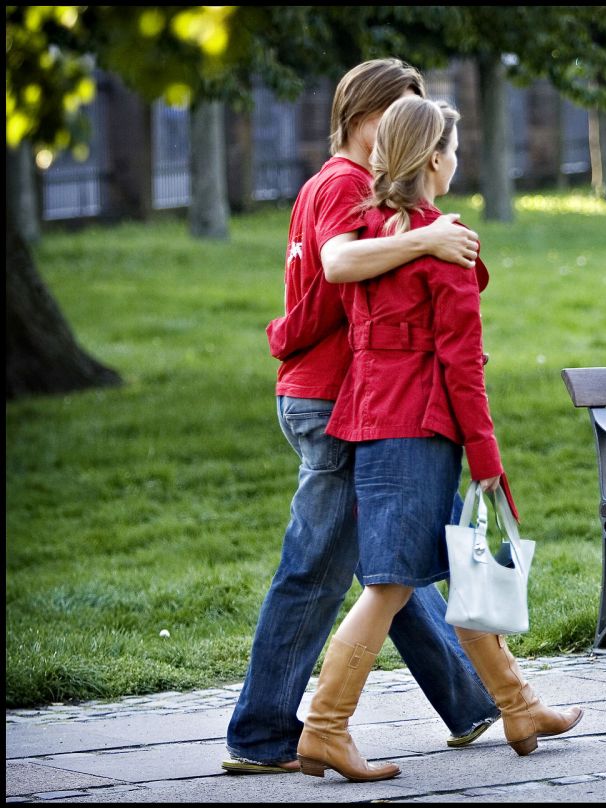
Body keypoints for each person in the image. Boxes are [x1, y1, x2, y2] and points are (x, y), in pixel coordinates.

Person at [288, 95, 583, 782]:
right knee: (388, 587)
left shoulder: (366, 235)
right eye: (454, 149)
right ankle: (326, 728)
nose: (459, 161)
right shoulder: (443, 244)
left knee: (457, 566)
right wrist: (486, 457)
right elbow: (461, 364)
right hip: (415, 429)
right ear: (432, 158)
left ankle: (518, 704)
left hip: (369, 420)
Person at [223, 59, 499, 777]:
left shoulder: (333, 182)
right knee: (319, 569)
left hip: (343, 396)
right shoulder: (346, 184)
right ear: (362, 114)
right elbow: (340, 265)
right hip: (333, 397)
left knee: (392, 564)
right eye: (398, 112)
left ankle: (477, 701)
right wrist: (430, 240)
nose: (407, 131)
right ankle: (262, 734)